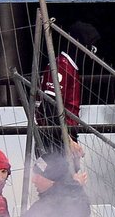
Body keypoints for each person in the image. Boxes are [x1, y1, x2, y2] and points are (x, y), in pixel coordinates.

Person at [39, 21, 101, 155]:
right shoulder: (61, 66)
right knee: (53, 175)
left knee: (73, 175)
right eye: (92, 47)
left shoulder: (69, 67)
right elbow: (49, 107)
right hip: (54, 139)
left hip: (63, 134)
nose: (93, 53)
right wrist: (67, 140)